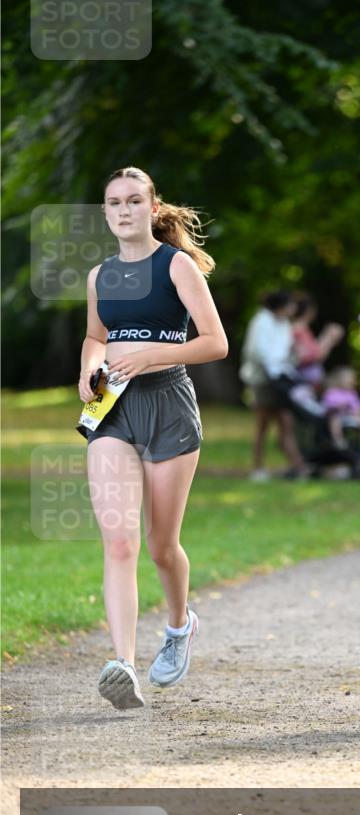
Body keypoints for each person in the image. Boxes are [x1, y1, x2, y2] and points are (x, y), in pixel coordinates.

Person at [78, 165, 228, 710]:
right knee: (118, 541)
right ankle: (122, 663)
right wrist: (87, 368)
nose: (124, 210)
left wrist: (150, 355)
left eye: (134, 201)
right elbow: (96, 336)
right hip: (111, 408)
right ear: (106, 212)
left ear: (153, 208)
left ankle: (179, 624)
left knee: (161, 546)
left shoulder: (177, 266)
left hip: (168, 402)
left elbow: (215, 343)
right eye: (115, 202)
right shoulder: (100, 276)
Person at [239, 291, 308, 481]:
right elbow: (258, 351)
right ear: (280, 306)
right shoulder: (261, 321)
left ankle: (296, 465)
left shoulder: (284, 324)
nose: (293, 309)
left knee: (284, 421)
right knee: (263, 423)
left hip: (280, 379)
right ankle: (258, 467)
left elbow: (284, 350)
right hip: (262, 380)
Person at [291, 294, 344, 387]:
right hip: (304, 381)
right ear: (309, 310)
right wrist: (329, 337)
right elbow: (313, 356)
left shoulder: (302, 329)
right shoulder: (298, 329)